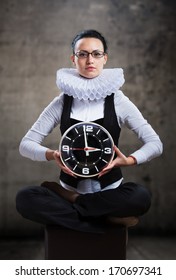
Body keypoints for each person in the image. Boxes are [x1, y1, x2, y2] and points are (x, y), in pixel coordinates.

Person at [16, 30, 163, 233]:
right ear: (73, 59)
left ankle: (75, 204)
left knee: (140, 197)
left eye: (96, 54)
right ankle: (105, 221)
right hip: (71, 186)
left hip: (110, 191)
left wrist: (128, 160)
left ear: (105, 58)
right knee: (25, 198)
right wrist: (52, 154)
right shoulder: (62, 102)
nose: (89, 60)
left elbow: (155, 144)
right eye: (82, 54)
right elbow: (26, 145)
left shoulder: (118, 100)